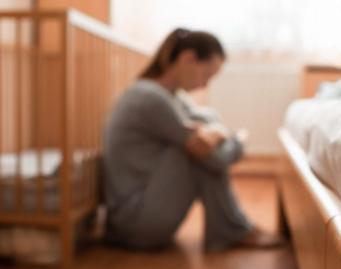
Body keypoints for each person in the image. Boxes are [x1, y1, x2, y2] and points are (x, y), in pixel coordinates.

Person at [103, 28, 284, 250]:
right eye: (206, 75)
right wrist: (238, 142)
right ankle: (235, 230)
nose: (205, 85)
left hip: (141, 216)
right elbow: (214, 157)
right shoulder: (150, 97)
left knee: (202, 133)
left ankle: (235, 229)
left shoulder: (173, 97)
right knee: (197, 152)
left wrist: (217, 132)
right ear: (188, 58)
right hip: (136, 224)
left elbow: (212, 120)